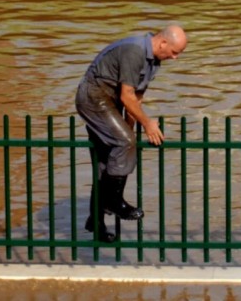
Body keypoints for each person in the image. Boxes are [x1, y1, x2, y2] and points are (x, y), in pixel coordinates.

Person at [75, 24, 187, 242]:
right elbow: (126, 96)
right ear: (163, 42)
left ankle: (95, 221)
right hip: (94, 97)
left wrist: (130, 127)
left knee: (109, 161)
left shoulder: (154, 61)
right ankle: (113, 202)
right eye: (174, 52)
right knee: (125, 142)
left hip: (110, 100)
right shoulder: (135, 51)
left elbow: (136, 98)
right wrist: (147, 124)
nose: (175, 58)